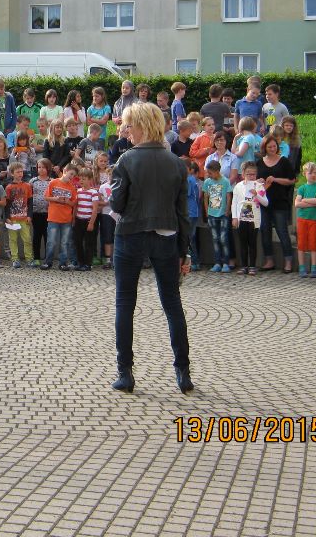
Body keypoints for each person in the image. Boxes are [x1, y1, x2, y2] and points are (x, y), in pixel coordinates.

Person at [109, 102, 193, 395]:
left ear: (142, 126)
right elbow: (183, 214)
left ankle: (125, 372)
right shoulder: (176, 163)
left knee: (125, 303)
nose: (126, 131)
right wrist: (185, 251)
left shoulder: (126, 160)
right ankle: (183, 372)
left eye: (129, 125)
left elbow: (116, 203)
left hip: (130, 234)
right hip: (166, 236)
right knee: (172, 304)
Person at [257, 135, 295, 272]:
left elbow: (292, 180)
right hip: (264, 203)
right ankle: (269, 260)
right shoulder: (259, 162)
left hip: (280, 202)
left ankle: (288, 261)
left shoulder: (284, 161)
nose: (272, 149)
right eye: (270, 147)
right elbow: (255, 181)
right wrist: (259, 181)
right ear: (265, 148)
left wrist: (276, 179)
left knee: (282, 231)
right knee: (265, 232)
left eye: (274, 146)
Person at [232, 161, 269, 276]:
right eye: (248, 174)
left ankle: (252, 266)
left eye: (253, 174)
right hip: (242, 218)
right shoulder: (238, 186)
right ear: (243, 174)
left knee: (252, 243)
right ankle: (244, 266)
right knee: (243, 243)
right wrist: (234, 217)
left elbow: (266, 202)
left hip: (254, 219)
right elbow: (235, 203)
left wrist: (256, 194)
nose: (251, 176)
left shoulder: (259, 186)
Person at [294, 162, 316, 279]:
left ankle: (314, 268)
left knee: (313, 243)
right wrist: (312, 203)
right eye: (310, 173)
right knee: (301, 243)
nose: (313, 175)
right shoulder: (302, 188)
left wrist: (305, 200)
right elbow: (297, 204)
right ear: (304, 174)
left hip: (314, 219)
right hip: (302, 219)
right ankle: (302, 267)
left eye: (315, 173)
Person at [43, 164, 77, 270]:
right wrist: (56, 199)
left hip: (66, 219)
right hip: (53, 218)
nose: (72, 177)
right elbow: (46, 197)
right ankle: (48, 262)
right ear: (65, 171)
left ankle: (63, 263)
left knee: (64, 242)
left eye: (74, 175)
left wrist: (67, 201)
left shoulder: (72, 187)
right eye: (71, 174)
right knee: (51, 241)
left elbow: (73, 203)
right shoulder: (53, 182)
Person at [202, 160, 232, 273]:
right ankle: (217, 262)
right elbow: (206, 197)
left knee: (223, 238)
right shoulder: (207, 182)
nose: (209, 175)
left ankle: (226, 262)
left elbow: (228, 196)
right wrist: (207, 212)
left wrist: (227, 210)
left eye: (210, 173)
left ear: (217, 171)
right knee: (215, 238)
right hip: (212, 214)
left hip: (223, 214)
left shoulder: (225, 181)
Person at [5, 162, 33, 268]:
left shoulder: (27, 186)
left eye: (21, 171)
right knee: (13, 240)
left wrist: (30, 215)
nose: (20, 174)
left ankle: (29, 259)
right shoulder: (8, 187)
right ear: (12, 174)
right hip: (12, 219)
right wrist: (7, 217)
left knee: (27, 239)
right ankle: (15, 259)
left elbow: (30, 202)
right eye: (17, 172)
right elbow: (6, 204)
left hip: (24, 218)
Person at [72, 168, 100, 271]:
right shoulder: (78, 191)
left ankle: (88, 264)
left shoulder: (93, 192)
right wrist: (74, 219)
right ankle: (81, 263)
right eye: (80, 179)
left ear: (90, 180)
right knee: (77, 242)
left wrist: (91, 223)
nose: (81, 181)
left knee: (89, 243)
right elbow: (76, 206)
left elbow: (95, 209)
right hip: (79, 220)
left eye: (84, 179)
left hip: (89, 220)